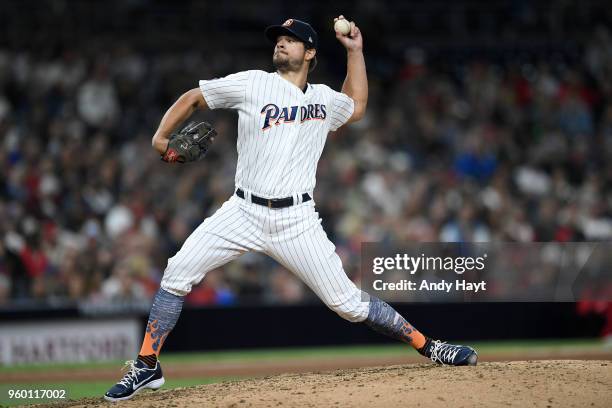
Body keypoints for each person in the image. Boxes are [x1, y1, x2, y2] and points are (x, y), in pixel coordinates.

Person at [104, 16, 477, 402]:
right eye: (279, 39)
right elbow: (195, 97)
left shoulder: (324, 100)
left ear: (310, 52)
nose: (281, 43)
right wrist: (160, 137)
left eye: (292, 40)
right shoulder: (253, 82)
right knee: (177, 270)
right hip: (242, 211)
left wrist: (355, 51)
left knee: (347, 304)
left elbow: (357, 106)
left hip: (296, 220)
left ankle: (429, 346)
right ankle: (147, 366)